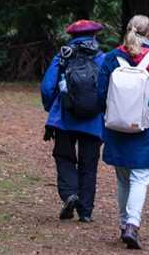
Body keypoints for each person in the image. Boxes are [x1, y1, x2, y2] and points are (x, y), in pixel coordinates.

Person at [96, 15, 149, 250]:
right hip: (143, 129)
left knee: (122, 176)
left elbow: (100, 95)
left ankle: (122, 224)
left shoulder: (111, 58)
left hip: (116, 126)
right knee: (140, 176)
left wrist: (111, 115)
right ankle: (132, 224)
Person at [40, 19, 106, 223]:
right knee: (89, 164)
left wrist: (52, 107)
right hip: (93, 120)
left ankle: (69, 194)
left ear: (72, 36)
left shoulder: (62, 56)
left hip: (64, 118)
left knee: (64, 157)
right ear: (95, 36)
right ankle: (85, 211)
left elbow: (47, 87)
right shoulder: (104, 58)